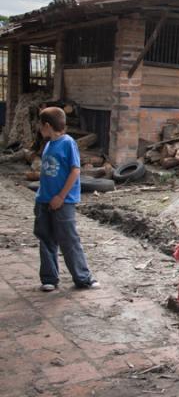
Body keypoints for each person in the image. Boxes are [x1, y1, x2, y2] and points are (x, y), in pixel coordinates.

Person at [34, 107, 98, 292]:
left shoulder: (68, 143)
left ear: (47, 125)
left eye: (40, 125)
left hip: (63, 202)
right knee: (46, 239)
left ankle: (83, 278)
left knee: (68, 240)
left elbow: (75, 171)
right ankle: (49, 278)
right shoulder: (48, 144)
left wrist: (61, 196)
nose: (39, 129)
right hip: (43, 200)